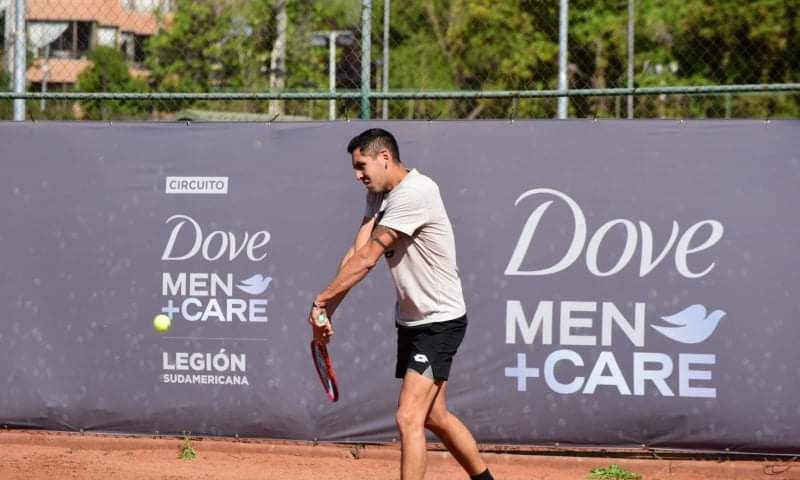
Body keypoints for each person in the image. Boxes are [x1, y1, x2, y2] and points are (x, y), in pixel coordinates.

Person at [309, 128, 495, 480]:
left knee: (408, 416)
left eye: (361, 166)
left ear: (384, 157)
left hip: (439, 320)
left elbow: (368, 259)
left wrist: (320, 300)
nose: (357, 175)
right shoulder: (379, 194)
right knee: (434, 415)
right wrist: (328, 309)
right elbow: (357, 250)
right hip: (411, 319)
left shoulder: (416, 193)